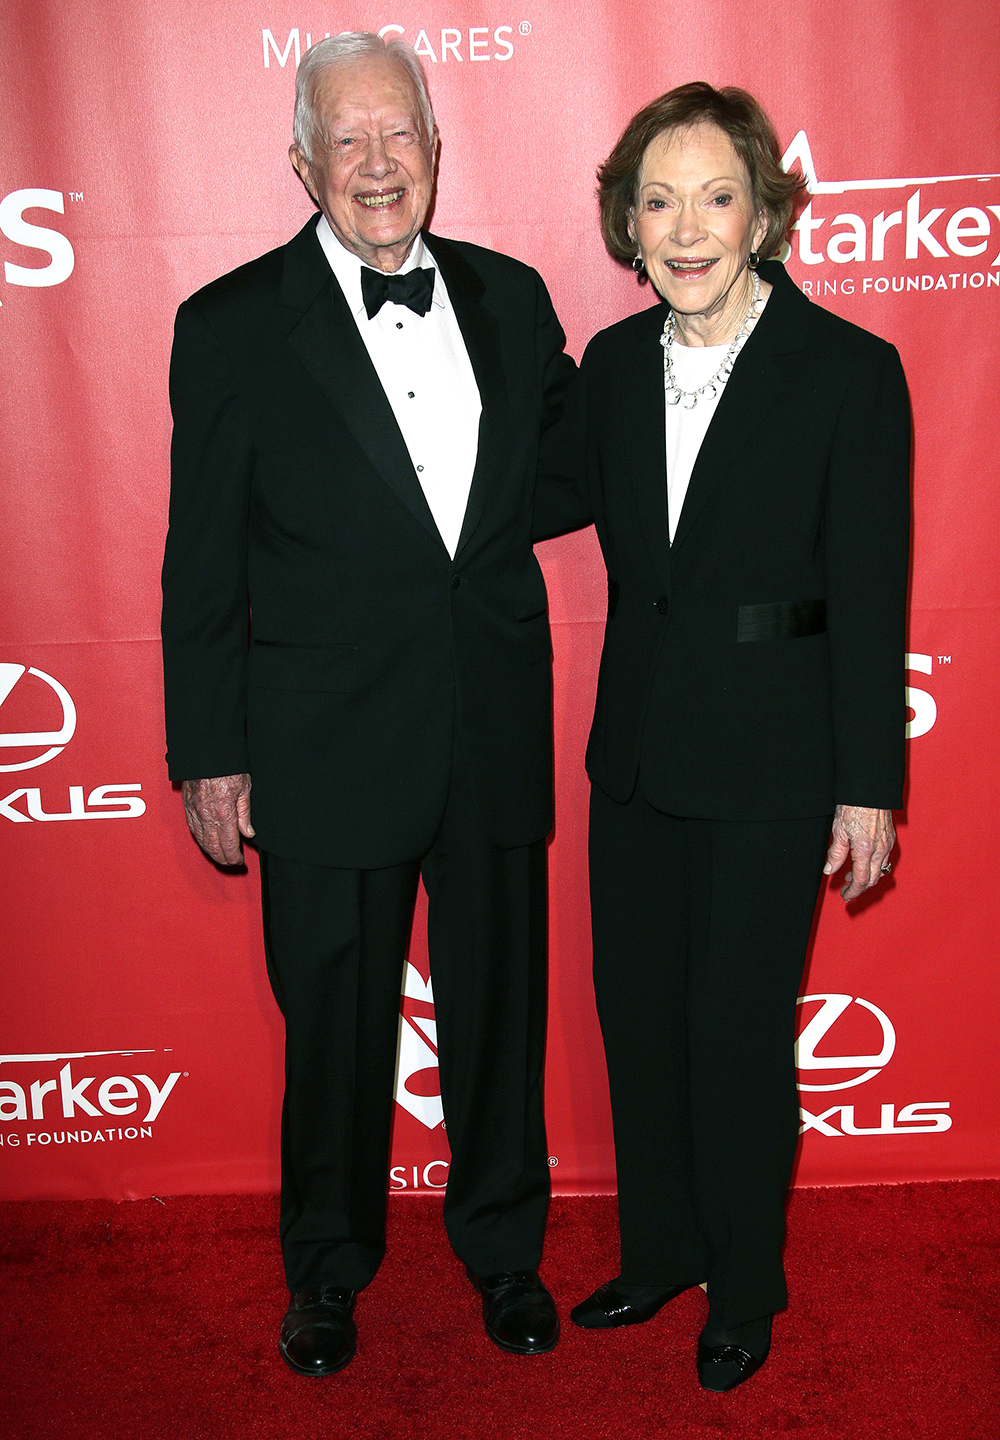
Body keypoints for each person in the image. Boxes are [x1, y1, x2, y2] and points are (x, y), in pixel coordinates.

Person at [161, 32, 575, 1376]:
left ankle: (506, 1251)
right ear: (302, 164)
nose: (378, 163)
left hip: (491, 721)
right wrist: (210, 748)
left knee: (500, 1006)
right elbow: (199, 559)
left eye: (399, 134)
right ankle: (326, 1272)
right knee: (333, 1017)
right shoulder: (228, 326)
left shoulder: (514, 302)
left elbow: (573, 475)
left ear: (438, 152)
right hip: (323, 737)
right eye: (348, 139)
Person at [535, 82, 910, 1391]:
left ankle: (746, 1279)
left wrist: (869, 780)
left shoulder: (851, 373)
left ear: (763, 212)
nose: (685, 229)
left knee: (738, 1032)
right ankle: (663, 1251)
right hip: (634, 750)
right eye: (657, 200)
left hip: (770, 760)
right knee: (639, 1019)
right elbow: (523, 496)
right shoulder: (614, 365)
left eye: (715, 196)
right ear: (627, 225)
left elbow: (871, 591)